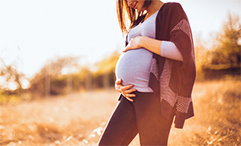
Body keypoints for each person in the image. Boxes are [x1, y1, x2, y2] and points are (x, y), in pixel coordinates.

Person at [98, 0, 196, 145]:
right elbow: (129, 53)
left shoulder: (171, 10)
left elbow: (183, 52)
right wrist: (119, 84)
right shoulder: (139, 20)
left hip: (155, 97)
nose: (129, 3)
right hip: (131, 95)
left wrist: (143, 41)